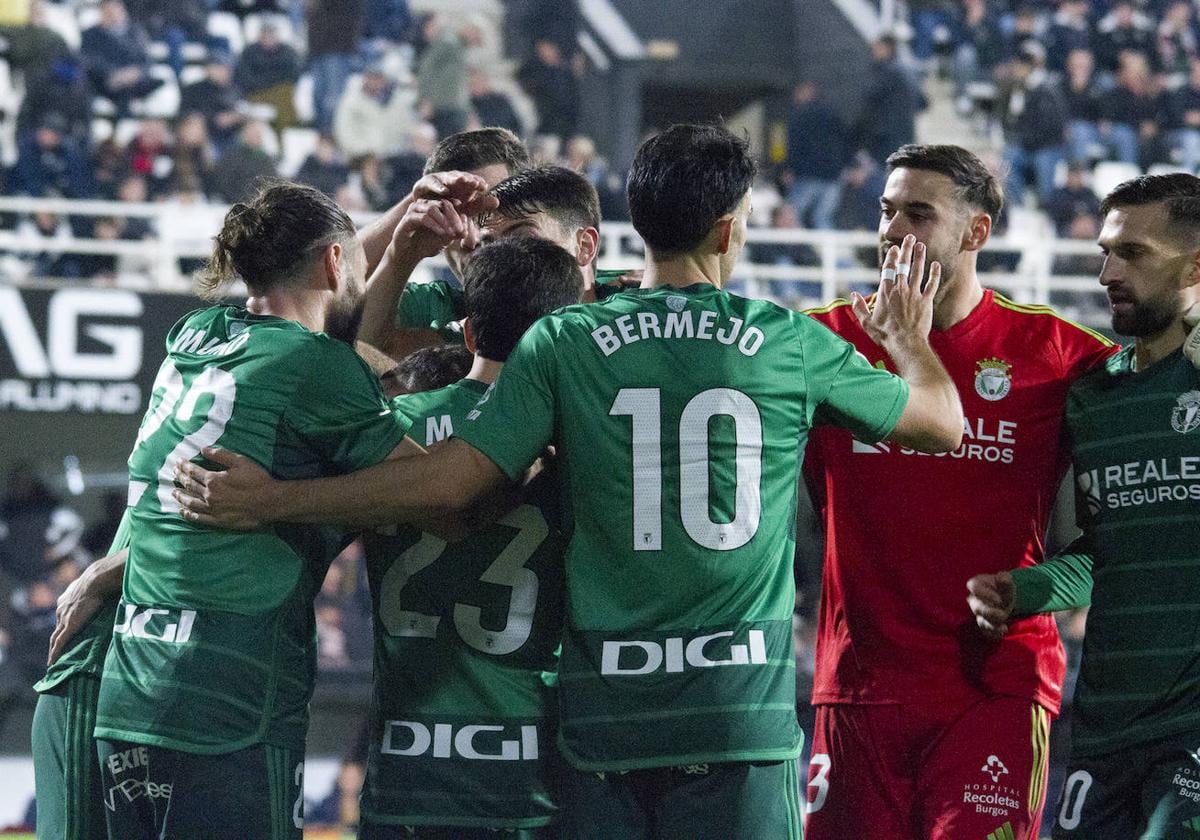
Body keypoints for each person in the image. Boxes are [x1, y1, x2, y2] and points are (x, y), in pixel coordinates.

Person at [174, 123, 965, 840]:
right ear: (729, 229)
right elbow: (941, 423)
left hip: (603, 728)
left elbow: (448, 483)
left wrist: (275, 499)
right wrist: (910, 341)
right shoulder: (785, 341)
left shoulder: (567, 340)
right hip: (736, 723)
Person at [802, 144, 1116, 840]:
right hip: (856, 691)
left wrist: (1037, 589)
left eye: (918, 214)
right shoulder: (823, 343)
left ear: (976, 232)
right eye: (887, 211)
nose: (892, 231)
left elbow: (1125, 527)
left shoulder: (1058, 355)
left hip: (993, 689)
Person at [967, 173, 1200, 839]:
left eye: (1133, 254)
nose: (1106, 272)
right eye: (1104, 251)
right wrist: (1030, 587)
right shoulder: (1094, 397)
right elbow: (1107, 549)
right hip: (1105, 725)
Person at [359, 236, 583, 838]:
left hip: (403, 780)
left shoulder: (390, 423)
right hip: (528, 784)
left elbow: (348, 350)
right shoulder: (582, 441)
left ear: (467, 335)